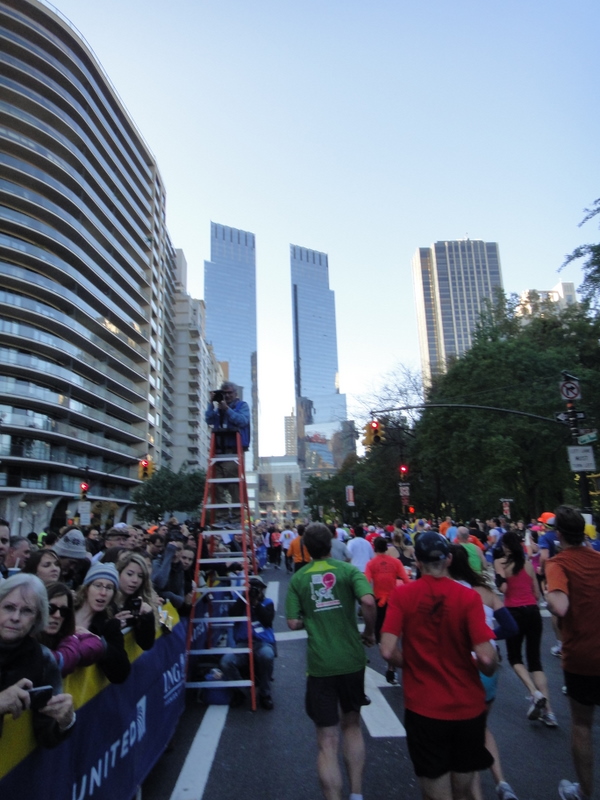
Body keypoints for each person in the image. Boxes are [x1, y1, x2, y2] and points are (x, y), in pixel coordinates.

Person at [380, 532, 497, 800]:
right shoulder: (468, 598)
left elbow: (387, 650)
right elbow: (487, 659)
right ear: (449, 559)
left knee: (435, 791)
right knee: (463, 790)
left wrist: (411, 663)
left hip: (424, 709)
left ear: (417, 563)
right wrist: (486, 667)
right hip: (467, 708)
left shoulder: (403, 596)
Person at [286, 522, 376, 800]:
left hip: (320, 665)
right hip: (351, 660)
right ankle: (357, 793)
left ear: (306, 548)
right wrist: (370, 632)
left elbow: (291, 622)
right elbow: (369, 602)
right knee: (351, 726)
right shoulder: (348, 571)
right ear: (333, 541)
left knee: (326, 740)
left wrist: (308, 619)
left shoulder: (299, 578)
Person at [447, 545, 520, 800]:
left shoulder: (449, 593)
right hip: (490, 665)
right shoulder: (486, 591)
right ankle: (502, 783)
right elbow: (510, 627)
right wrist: (489, 636)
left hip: (464, 667)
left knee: (466, 737)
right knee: (481, 728)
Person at [545, 506, 600, 800]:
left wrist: (548, 593)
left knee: (581, 724)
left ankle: (585, 792)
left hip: (581, 656)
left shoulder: (558, 563)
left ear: (559, 534)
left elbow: (560, 606)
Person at [0, 573, 76, 746]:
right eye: (9, 607)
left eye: (27, 611)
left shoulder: (43, 659)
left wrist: (65, 721)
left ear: (38, 618)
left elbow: (46, 735)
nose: (15, 617)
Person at [495, 530, 557, 726]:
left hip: (514, 612)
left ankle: (534, 692)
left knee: (514, 657)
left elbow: (503, 589)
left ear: (505, 546)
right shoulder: (528, 565)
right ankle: (549, 712)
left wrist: (502, 580)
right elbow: (537, 594)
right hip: (532, 612)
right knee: (535, 661)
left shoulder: (501, 563)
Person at [221, 575, 276, 710]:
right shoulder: (240, 602)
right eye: (252, 587)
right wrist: (244, 598)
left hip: (263, 642)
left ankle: (265, 693)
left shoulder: (267, 602)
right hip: (243, 643)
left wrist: (256, 603)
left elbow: (267, 621)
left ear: (263, 589)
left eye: (258, 588)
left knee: (267, 655)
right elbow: (233, 615)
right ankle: (240, 692)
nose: (255, 590)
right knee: (226, 662)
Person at [74, 562, 131, 684]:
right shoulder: (64, 610)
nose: (103, 593)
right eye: (98, 585)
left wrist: (99, 643)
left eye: (109, 588)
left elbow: (121, 673)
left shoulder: (109, 625)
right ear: (86, 589)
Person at [204, 381, 250, 527]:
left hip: (233, 451)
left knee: (233, 484)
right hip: (217, 451)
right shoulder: (218, 410)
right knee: (216, 485)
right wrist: (211, 404)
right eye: (225, 393)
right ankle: (222, 517)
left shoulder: (242, 406)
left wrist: (228, 410)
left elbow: (242, 421)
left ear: (235, 394)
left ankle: (236, 518)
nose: (227, 396)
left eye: (230, 393)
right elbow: (209, 419)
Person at [365, 536, 409, 684]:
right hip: (394, 602)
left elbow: (366, 583)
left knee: (380, 636)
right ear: (386, 548)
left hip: (380, 603)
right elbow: (406, 580)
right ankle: (391, 667)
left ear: (375, 548)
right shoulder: (396, 562)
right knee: (394, 634)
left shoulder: (371, 564)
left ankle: (390, 663)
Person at [37, 582, 104, 676]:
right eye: (51, 608)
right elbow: (60, 662)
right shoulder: (26, 641)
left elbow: (95, 644)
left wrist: (71, 643)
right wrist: (72, 641)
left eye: (64, 611)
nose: (57, 615)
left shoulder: (64, 636)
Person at [115, 552, 157, 651]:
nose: (135, 580)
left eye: (140, 576)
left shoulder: (139, 604)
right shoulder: (104, 600)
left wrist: (148, 617)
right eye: (129, 574)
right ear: (119, 573)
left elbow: (146, 644)